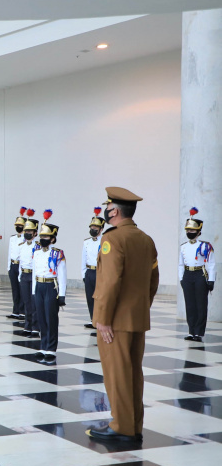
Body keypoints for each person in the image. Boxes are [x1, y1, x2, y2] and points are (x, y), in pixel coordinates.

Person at [89, 187, 159, 442]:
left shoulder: (112, 240)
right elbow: (153, 280)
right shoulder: (145, 239)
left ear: (114, 211)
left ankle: (121, 426)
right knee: (133, 374)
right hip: (136, 318)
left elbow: (109, 282)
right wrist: (141, 307)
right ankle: (134, 425)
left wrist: (103, 319)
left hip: (115, 320)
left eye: (108, 207)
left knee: (117, 374)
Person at [32, 212, 67, 363]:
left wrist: (62, 294)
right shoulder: (37, 253)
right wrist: (34, 291)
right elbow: (34, 272)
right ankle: (43, 345)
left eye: (46, 237)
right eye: (41, 237)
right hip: (39, 285)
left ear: (52, 239)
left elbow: (62, 275)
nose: (42, 239)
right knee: (41, 317)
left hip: (51, 286)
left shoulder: (58, 254)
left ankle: (51, 348)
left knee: (50, 317)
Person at [180, 207, 216, 342]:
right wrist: (181, 278)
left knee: (201, 304)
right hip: (187, 275)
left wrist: (211, 280)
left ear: (199, 231)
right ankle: (191, 331)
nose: (189, 232)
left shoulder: (205, 246)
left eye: (192, 230)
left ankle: (199, 333)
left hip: (200, 274)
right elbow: (180, 264)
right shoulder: (183, 246)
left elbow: (211, 264)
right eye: (188, 230)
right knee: (189, 305)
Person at [81, 208, 105, 328]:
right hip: (89, 272)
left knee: (99, 298)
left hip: (100, 271)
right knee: (90, 297)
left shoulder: (105, 241)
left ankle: (100, 319)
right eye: (92, 228)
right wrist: (83, 274)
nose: (93, 230)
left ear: (101, 229)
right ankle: (93, 319)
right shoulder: (86, 242)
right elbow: (83, 259)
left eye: (96, 228)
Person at [19, 211, 39, 337]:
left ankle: (36, 327)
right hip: (24, 275)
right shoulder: (21, 246)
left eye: (30, 231)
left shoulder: (38, 246)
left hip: (34, 275)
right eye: (26, 231)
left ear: (35, 233)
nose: (27, 233)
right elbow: (21, 263)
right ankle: (27, 325)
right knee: (26, 301)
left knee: (34, 302)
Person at [8, 208, 28, 319]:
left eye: (20, 225)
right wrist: (8, 267)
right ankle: (15, 310)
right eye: (17, 225)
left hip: (21, 266)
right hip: (13, 265)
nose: (18, 227)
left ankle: (22, 311)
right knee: (14, 288)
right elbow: (10, 253)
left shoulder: (26, 239)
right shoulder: (12, 238)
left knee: (22, 289)